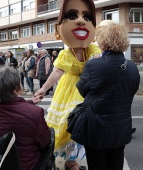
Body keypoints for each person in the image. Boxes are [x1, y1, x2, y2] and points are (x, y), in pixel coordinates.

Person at [34, 0, 101, 169]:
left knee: (81, 126)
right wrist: (42, 89)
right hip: (68, 90)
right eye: (72, 16)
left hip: (86, 90)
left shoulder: (92, 50)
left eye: (86, 17)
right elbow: (56, 73)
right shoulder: (65, 53)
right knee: (66, 124)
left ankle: (72, 160)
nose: (80, 21)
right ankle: (67, 159)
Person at [73, 21, 140, 170]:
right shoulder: (132, 67)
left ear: (102, 41)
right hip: (121, 127)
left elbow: (82, 89)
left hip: (96, 128)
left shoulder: (94, 65)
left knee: (96, 165)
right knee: (116, 165)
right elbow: (132, 91)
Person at [0, 66, 51, 170]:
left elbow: (6, 106)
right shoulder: (34, 113)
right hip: (24, 165)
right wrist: (27, 106)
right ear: (15, 90)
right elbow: (45, 141)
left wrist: (28, 103)